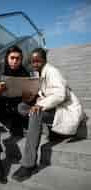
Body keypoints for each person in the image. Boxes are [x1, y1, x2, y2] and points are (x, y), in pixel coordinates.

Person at [12, 48, 84, 182]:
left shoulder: (52, 71)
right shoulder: (38, 73)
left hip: (66, 110)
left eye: (38, 61)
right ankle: (54, 131)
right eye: (33, 61)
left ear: (45, 60)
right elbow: (44, 94)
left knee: (35, 113)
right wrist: (33, 98)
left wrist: (40, 105)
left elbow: (60, 95)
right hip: (54, 109)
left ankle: (28, 164)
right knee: (21, 107)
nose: (35, 64)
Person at [0, 45, 30, 183]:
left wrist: (28, 97)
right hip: (1, 109)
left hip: (16, 112)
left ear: (21, 60)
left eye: (18, 59)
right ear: (7, 58)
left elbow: (28, 96)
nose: (15, 61)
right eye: (12, 58)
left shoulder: (25, 73)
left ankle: (15, 127)